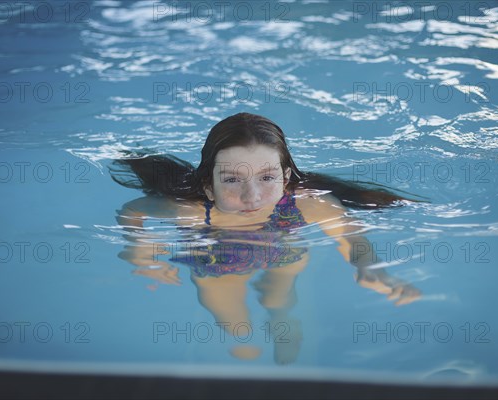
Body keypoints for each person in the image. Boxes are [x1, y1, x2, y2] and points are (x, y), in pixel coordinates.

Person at [111, 112, 422, 363]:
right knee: (232, 321)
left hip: (281, 250)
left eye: (267, 178)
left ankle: (281, 317)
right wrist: (138, 248)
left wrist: (370, 268)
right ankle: (242, 346)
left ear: (285, 179)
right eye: (232, 180)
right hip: (216, 261)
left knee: (280, 297)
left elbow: (351, 233)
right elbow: (132, 211)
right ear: (208, 186)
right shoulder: (190, 212)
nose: (253, 196)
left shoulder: (310, 204)